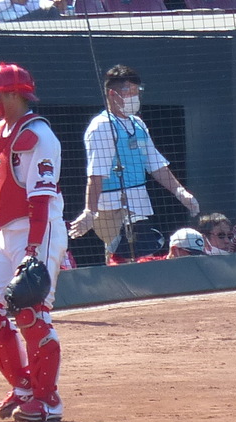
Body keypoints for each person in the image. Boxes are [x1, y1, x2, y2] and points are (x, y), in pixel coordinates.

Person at [0, 63, 66, 422]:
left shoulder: (38, 135)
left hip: (39, 229)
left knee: (30, 313)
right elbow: (0, 190)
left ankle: (47, 399)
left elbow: (40, 200)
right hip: (6, 231)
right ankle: (23, 386)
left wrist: (34, 250)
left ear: (11, 94)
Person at [70, 65, 198, 271]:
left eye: (137, 91)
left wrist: (180, 191)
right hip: (113, 208)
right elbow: (96, 175)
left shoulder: (138, 124)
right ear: (112, 94)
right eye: (129, 91)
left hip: (139, 203)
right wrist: (89, 212)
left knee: (143, 260)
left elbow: (155, 164)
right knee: (121, 262)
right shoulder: (101, 127)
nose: (135, 97)